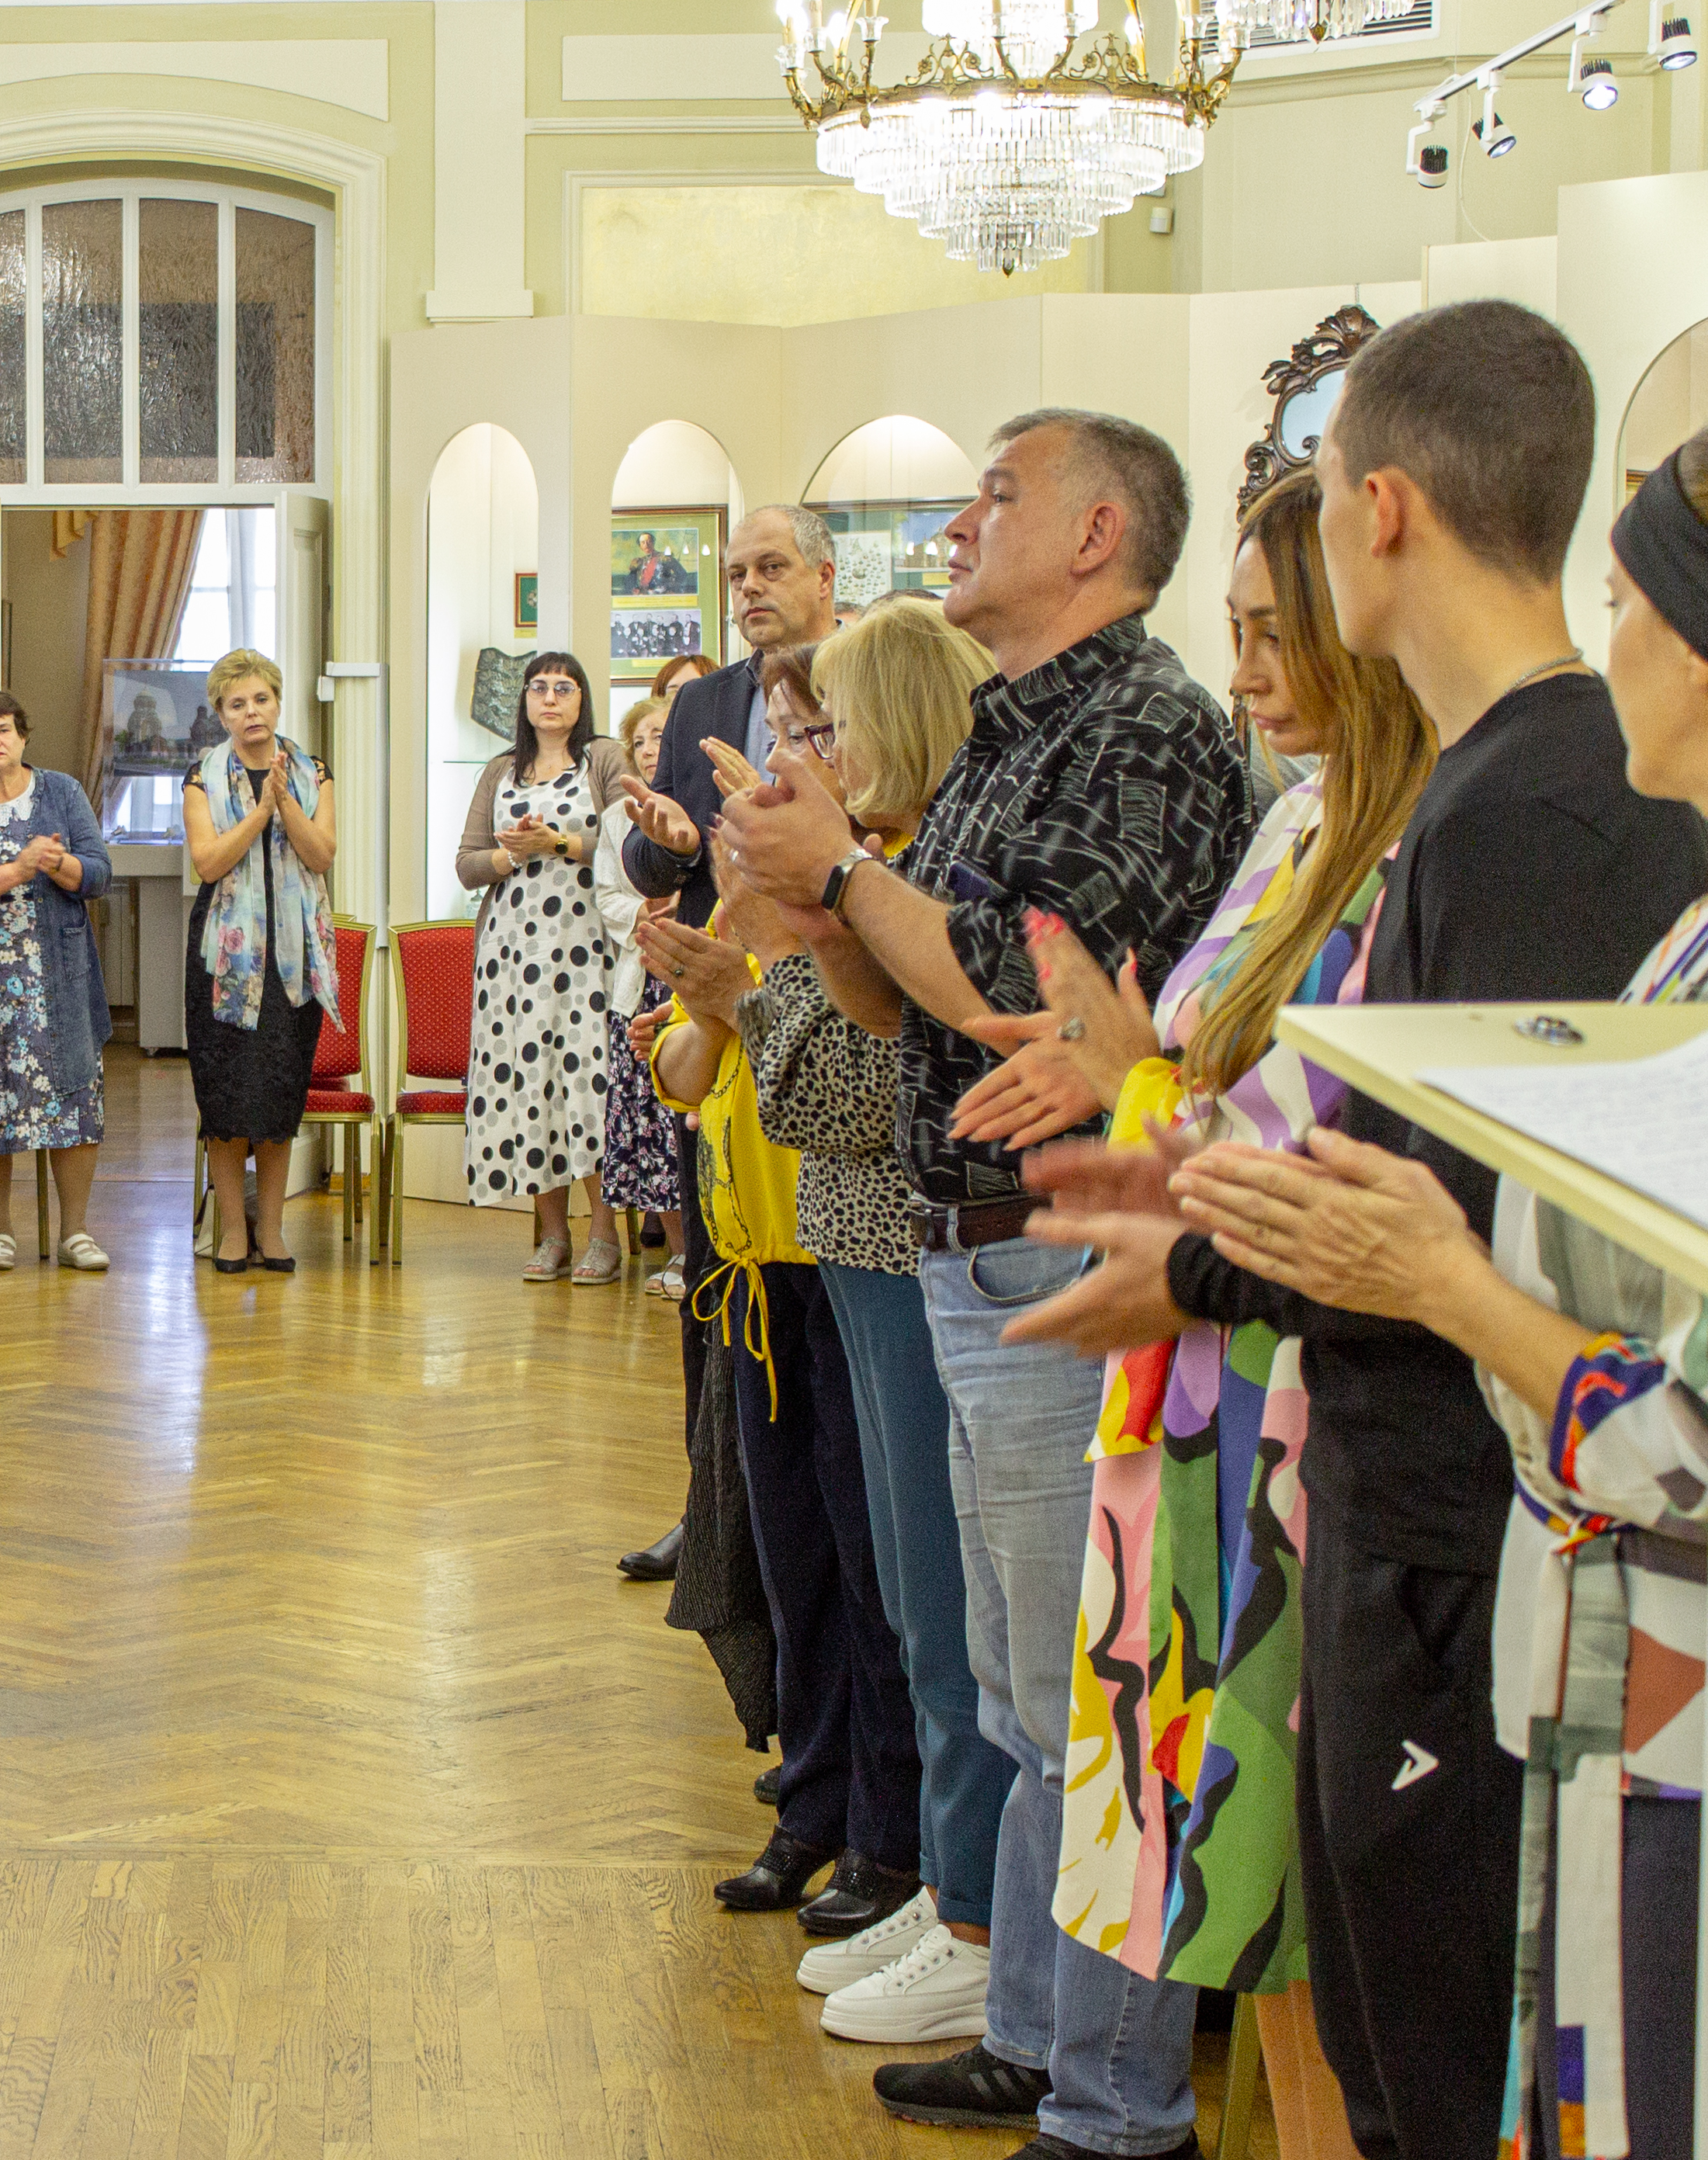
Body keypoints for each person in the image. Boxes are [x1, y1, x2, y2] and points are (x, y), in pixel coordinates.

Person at [1005, 307, 1708, 2160]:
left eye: (1311, 510)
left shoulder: (1535, 802)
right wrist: (1197, 1188)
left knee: (1435, 2057)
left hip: (1474, 1531)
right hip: (1426, 1515)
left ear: (1374, 510)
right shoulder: (1501, 790)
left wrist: (1205, 1249)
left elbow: (1456, 1222)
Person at [722, 411, 1252, 2160]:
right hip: (967, 1238)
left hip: (1059, 1240)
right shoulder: (1006, 729)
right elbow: (914, 1002)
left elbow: (1029, 993)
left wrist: (852, 883)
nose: (959, 519)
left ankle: (1109, 2096)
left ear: (1096, 531)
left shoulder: (1149, 728)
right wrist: (816, 910)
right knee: (1023, 1685)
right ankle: (1032, 2023)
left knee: (1077, 1693)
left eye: (998, 492)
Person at [940, 475, 1420, 2154]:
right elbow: (1205, 1072)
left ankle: (1126, 2096)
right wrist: (1126, 1070)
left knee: (1279, 1856)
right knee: (1224, 1862)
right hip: (1194, 1356)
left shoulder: (1400, 837)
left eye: (1273, 633)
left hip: (1281, 1373)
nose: (1248, 675)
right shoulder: (1296, 824)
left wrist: (1141, 1076)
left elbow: (1309, 1123)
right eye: (1234, 637)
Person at [742, 600, 1013, 2047]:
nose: (813, 750)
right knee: (914, 1597)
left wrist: (768, 967)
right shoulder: (879, 879)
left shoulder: (913, 879)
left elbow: (841, 1088)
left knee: (950, 1606)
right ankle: (948, 1883)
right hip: (862, 1246)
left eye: (828, 725)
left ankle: (965, 1897)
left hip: (914, 1244)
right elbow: (794, 1068)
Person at [646, 757, 927, 1957]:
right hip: (749, 1270)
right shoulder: (731, 913)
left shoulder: (863, 902)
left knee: (871, 1575)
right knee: (791, 1562)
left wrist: (742, 986)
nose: (733, 823)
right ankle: (809, 1802)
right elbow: (679, 1073)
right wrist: (710, 1001)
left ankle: (881, 1827)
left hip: (838, 1258)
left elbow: (847, 1071)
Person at [617, 514, 844, 1579]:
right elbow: (645, 845)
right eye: (737, 571)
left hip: (823, 992)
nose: (748, 585)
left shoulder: (857, 679)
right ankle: (711, 1504)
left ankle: (791, 1518)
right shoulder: (705, 700)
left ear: (823, 578)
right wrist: (661, 841)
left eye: (770, 568)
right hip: (714, 1013)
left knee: (811, 1320)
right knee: (717, 1277)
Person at [456, 652, 631, 1281]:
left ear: (582, 700)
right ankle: (553, 1236)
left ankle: (605, 1236)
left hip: (584, 947)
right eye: (539, 687)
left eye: (564, 687)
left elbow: (628, 845)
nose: (550, 698)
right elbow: (466, 862)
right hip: (512, 954)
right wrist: (509, 857)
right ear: (524, 701)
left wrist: (555, 844)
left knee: (589, 1084)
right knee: (530, 1088)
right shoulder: (501, 770)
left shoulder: (604, 759)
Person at [0, 688, 112, 1274]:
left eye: (4, 729)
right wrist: (17, 869)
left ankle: (76, 1232)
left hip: (56, 976)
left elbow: (100, 875)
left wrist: (60, 865)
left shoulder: (62, 791)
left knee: (75, 1096)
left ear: (23, 735)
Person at [180, 649, 338, 1275]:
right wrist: (262, 810)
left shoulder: (313, 770)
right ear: (221, 713)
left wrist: (288, 802)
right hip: (224, 959)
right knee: (225, 1098)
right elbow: (209, 862)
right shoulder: (202, 776)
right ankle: (229, 1231)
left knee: (277, 1096)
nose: (252, 712)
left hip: (293, 959)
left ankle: (270, 1229)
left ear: (277, 702)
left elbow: (321, 855)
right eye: (237, 703)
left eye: (261, 700)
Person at [597, 694, 685, 1298]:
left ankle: (704, 1252)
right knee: (650, 1125)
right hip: (639, 975)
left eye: (662, 736)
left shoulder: (703, 806)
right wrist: (647, 909)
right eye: (642, 741)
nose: (652, 749)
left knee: (688, 1121)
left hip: (692, 971)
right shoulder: (613, 821)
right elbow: (606, 896)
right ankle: (680, 1253)